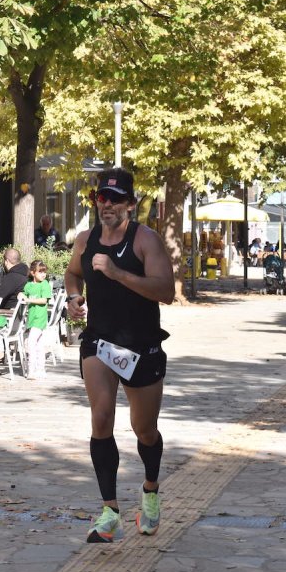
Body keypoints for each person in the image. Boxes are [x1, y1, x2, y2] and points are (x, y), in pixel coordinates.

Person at [63, 167, 174, 543]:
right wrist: (74, 297)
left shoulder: (146, 241)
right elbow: (72, 274)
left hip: (142, 345)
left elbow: (166, 291)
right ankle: (109, 511)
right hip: (100, 341)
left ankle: (150, 490)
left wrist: (117, 273)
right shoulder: (85, 239)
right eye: (100, 198)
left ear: (130, 203)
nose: (106, 204)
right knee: (101, 418)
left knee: (143, 429)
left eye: (115, 199)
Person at [19, 259, 52, 380]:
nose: (43, 274)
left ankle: (32, 369)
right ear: (33, 273)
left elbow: (44, 300)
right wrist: (21, 295)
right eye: (40, 272)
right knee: (38, 345)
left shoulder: (45, 284)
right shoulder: (28, 285)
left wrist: (28, 300)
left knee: (31, 343)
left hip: (40, 318)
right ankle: (40, 369)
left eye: (44, 272)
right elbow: (23, 293)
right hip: (31, 318)